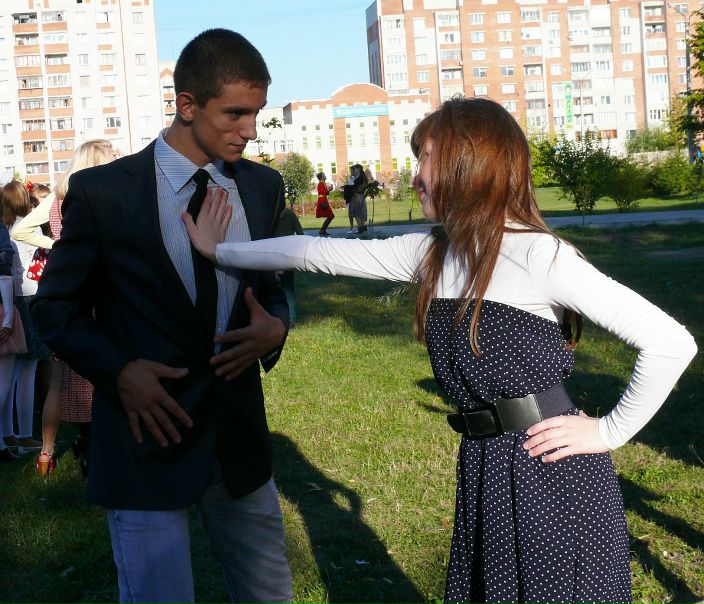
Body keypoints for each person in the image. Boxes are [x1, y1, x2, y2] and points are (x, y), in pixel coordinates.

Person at [185, 97, 698, 604]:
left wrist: (608, 432)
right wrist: (217, 250)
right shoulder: (433, 251)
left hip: (551, 470)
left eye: (425, 158)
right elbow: (311, 252)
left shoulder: (538, 254)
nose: (416, 177)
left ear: (466, 163)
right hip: (485, 462)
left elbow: (670, 342)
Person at [31, 29, 292, 604]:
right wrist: (120, 371)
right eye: (235, 113)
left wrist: (276, 327)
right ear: (188, 105)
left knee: (269, 595)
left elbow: (275, 289)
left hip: (238, 443)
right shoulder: (103, 192)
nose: (250, 130)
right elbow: (53, 307)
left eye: (257, 113)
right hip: (145, 440)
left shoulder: (262, 187)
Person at [13, 141, 114, 476]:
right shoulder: (105, 195)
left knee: (58, 379)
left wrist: (56, 244)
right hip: (98, 291)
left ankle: (46, 454)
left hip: (66, 292)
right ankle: (97, 446)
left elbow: (21, 229)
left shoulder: (59, 196)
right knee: (104, 373)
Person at [0, 181, 46, 454]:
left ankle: (8, 434)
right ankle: (25, 434)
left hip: (11, 301)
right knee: (27, 371)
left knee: (9, 374)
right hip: (29, 299)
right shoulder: (29, 227)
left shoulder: (4, 229)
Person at [274, 204, 304, 325]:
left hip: (272, 256)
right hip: (286, 255)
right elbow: (300, 233)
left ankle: (278, 318)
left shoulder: (269, 214)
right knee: (288, 288)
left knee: (276, 288)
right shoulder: (290, 214)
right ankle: (290, 318)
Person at [350, 164, 368, 234]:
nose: (354, 170)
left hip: (357, 195)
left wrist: (353, 189)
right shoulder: (363, 176)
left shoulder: (360, 177)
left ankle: (361, 228)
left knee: (356, 212)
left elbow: (358, 186)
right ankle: (363, 227)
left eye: (355, 169)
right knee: (361, 212)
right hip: (361, 195)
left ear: (358, 169)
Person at [315, 172, 334, 237]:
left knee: (330, 216)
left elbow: (326, 193)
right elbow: (324, 192)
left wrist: (329, 189)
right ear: (321, 178)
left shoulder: (323, 183)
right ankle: (322, 230)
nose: (325, 176)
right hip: (322, 201)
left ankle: (323, 230)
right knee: (331, 216)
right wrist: (329, 189)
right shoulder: (320, 184)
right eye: (324, 175)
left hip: (324, 200)